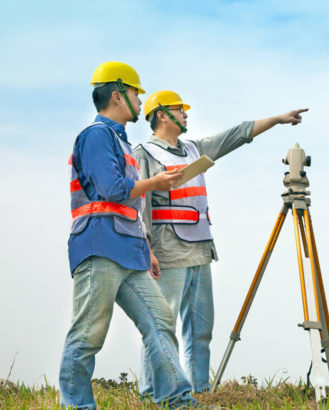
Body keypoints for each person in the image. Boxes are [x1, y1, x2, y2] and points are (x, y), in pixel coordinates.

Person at [134, 89, 307, 393]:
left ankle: (197, 391)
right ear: (161, 115)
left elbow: (236, 135)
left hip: (200, 250)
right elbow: (139, 205)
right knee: (162, 327)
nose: (186, 114)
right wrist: (145, 248)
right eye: (179, 109)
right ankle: (154, 393)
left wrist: (278, 120)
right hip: (167, 252)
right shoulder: (144, 154)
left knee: (200, 330)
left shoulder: (193, 149)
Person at [59, 62, 199, 409]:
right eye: (137, 93)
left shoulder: (121, 142)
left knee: (161, 322)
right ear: (119, 94)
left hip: (129, 251)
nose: (141, 99)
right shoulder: (96, 135)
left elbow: (130, 208)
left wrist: (145, 247)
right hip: (99, 246)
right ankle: (76, 406)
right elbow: (110, 189)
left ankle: (176, 400)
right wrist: (156, 182)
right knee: (88, 335)